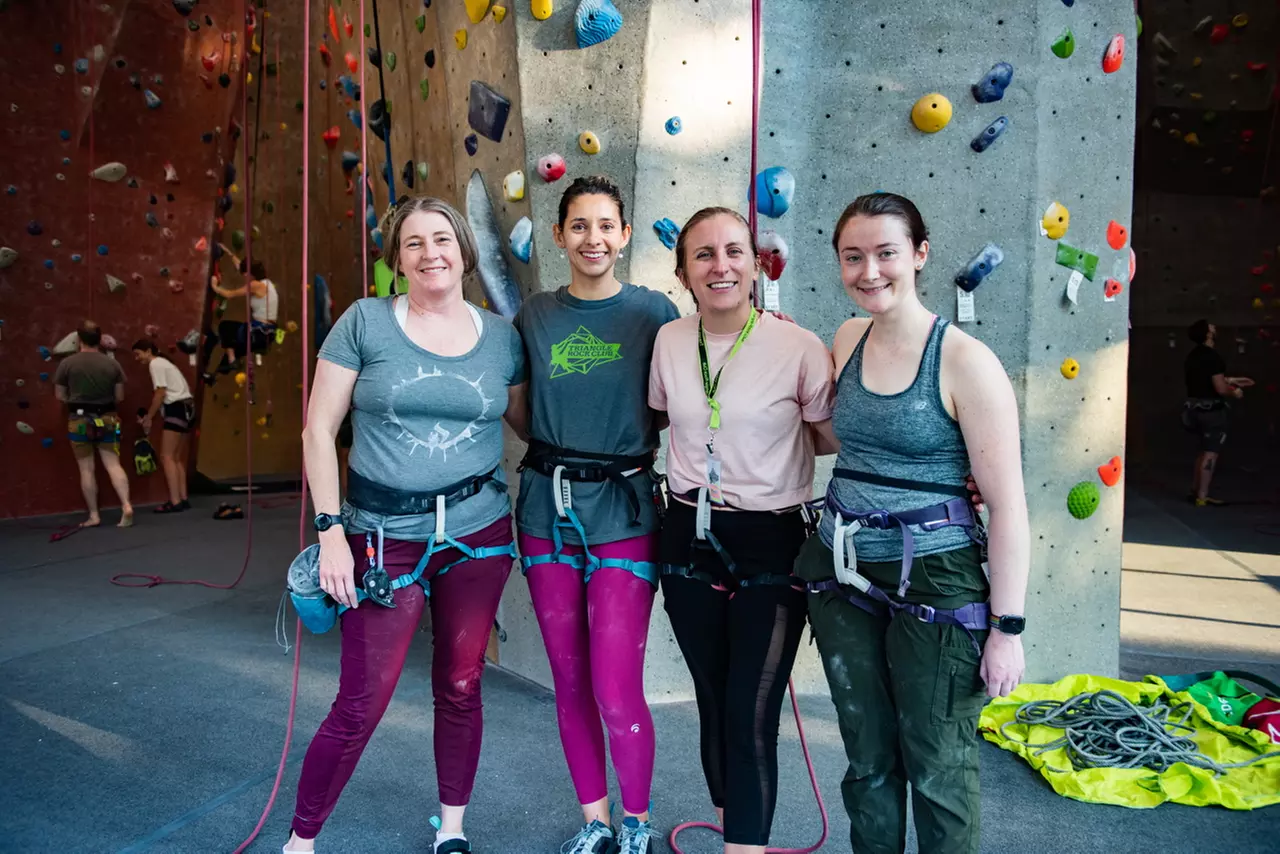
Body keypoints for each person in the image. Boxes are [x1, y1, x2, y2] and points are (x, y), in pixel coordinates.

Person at [286, 197, 529, 854]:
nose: (431, 253)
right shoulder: (364, 323)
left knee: (460, 682)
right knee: (362, 700)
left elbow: (534, 426)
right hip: (380, 537)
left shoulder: (503, 339)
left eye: (443, 239)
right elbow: (318, 430)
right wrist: (330, 531)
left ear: (463, 251)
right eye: (415, 242)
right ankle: (301, 841)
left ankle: (452, 829)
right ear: (397, 259)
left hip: (477, 535)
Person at [793, 193, 1030, 854]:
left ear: (920, 256)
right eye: (853, 257)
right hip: (842, 569)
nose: (869, 270)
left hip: (936, 581)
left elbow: (1008, 505)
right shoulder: (846, 337)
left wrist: (1006, 630)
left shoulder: (964, 363)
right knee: (868, 760)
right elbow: (841, 439)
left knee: (937, 766)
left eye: (886, 253)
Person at [648, 206, 834, 854]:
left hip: (773, 541)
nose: (720, 265)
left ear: (757, 264)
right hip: (687, 536)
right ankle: (735, 820)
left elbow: (832, 435)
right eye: (703, 255)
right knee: (712, 696)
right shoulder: (670, 343)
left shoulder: (799, 346)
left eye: (733, 251)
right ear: (684, 273)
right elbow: (663, 418)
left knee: (749, 711)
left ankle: (744, 847)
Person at [512, 175, 678, 854]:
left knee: (615, 685)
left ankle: (636, 821)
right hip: (545, 512)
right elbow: (520, 412)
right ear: (558, 236)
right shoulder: (534, 317)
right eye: (578, 226)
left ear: (625, 233)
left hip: (624, 512)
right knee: (570, 681)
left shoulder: (655, 313)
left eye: (605, 225)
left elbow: (673, 404)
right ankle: (596, 820)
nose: (592, 239)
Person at [54, 321, 133, 528]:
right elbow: (120, 397)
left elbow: (60, 395)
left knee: (86, 469)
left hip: (79, 420)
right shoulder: (113, 364)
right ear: (100, 340)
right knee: (114, 464)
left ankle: (94, 515)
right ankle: (126, 505)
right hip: (108, 418)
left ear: (79, 340)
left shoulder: (67, 364)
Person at [1182, 319, 1253, 506]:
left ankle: (1195, 490)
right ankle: (1203, 496)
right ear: (1208, 334)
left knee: (1202, 451)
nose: (1214, 327)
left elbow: (1204, 379)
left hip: (1193, 410)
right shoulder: (1213, 357)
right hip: (1211, 412)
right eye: (1211, 326)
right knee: (1211, 452)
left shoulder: (1192, 356)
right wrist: (1234, 391)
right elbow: (1220, 388)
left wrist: (1230, 379)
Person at [131, 339, 195, 513]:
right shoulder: (166, 363)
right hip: (188, 409)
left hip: (176, 409)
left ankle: (174, 501)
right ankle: (183, 498)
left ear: (148, 351)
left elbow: (160, 393)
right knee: (176, 458)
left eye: (138, 354)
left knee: (167, 457)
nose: (137, 358)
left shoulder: (156, 364)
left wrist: (149, 417)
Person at [200, 246, 280, 382]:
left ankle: (230, 361)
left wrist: (214, 286)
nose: (245, 278)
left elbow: (230, 294)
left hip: (259, 331)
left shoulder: (256, 285)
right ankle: (214, 376)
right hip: (265, 334)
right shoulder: (264, 283)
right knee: (233, 350)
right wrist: (229, 252)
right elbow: (240, 266)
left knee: (226, 327)